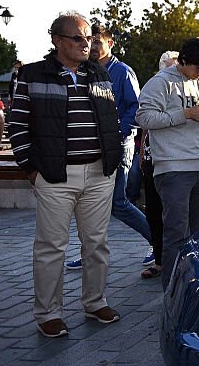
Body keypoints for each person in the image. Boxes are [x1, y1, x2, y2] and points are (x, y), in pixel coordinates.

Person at [9, 12, 123, 337]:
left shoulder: (99, 74)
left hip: (100, 173)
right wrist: (32, 170)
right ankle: (48, 314)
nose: (86, 43)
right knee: (51, 246)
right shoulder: (33, 75)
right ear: (58, 41)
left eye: (88, 38)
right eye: (78, 38)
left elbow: (111, 119)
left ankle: (95, 301)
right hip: (54, 176)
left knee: (97, 243)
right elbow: (17, 126)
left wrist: (112, 162)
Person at [63, 24, 153, 271]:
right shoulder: (85, 70)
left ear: (110, 44)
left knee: (118, 203)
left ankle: (160, 244)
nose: (92, 47)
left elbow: (136, 109)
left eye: (98, 42)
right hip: (91, 147)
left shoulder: (123, 72)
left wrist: (116, 134)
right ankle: (89, 254)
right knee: (90, 203)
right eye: (89, 42)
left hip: (119, 146)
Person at [136, 37, 199, 288]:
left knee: (196, 235)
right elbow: (144, 118)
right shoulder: (159, 83)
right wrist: (185, 113)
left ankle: (190, 286)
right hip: (172, 167)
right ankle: (172, 293)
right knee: (174, 234)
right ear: (184, 60)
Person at [138, 51, 179, 280]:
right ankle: (161, 259)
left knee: (174, 214)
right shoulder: (154, 89)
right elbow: (144, 125)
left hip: (173, 159)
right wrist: (142, 154)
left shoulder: (184, 89)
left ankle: (176, 260)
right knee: (153, 212)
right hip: (152, 160)